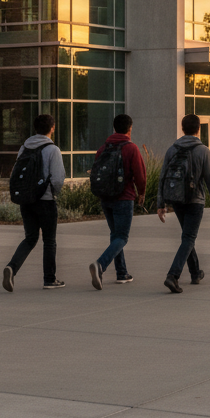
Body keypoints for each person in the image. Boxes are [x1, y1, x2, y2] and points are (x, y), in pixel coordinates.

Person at [2, 113, 66, 292]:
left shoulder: (24, 147)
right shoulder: (53, 150)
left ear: (35, 128)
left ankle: (12, 268)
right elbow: (58, 179)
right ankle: (49, 279)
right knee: (49, 240)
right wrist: (53, 192)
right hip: (45, 200)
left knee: (30, 238)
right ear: (52, 128)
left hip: (26, 200)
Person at [157, 114, 210, 293]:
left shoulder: (172, 149)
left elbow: (162, 177)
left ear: (182, 128)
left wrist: (161, 203)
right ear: (198, 128)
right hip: (195, 200)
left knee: (187, 236)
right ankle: (173, 275)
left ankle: (195, 272)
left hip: (176, 199)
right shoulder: (203, 150)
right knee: (189, 238)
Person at [88, 113, 146, 290]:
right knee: (122, 237)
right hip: (124, 197)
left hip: (106, 198)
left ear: (114, 128)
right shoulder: (131, 148)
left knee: (115, 235)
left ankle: (122, 273)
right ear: (130, 128)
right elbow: (140, 175)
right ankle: (100, 265)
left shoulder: (103, 148)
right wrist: (141, 193)